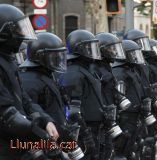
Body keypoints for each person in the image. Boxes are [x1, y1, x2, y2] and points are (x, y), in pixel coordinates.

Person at [0, 4, 58, 159]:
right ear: (4, 33)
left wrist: (46, 121)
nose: (21, 33)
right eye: (18, 29)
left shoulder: (8, 60)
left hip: (18, 141)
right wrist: (41, 137)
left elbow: (23, 98)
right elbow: (6, 113)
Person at [19, 32, 84, 160]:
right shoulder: (29, 81)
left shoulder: (46, 75)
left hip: (56, 139)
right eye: (54, 56)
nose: (58, 60)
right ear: (41, 57)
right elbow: (29, 117)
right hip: (44, 144)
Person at [64, 30, 122, 160]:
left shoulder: (86, 70)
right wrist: (86, 135)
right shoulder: (74, 73)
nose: (93, 51)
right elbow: (73, 111)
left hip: (96, 127)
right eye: (89, 47)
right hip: (85, 129)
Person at [112, 40, 156, 160]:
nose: (136, 57)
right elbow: (117, 97)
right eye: (133, 54)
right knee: (122, 151)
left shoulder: (132, 70)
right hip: (125, 117)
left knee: (134, 147)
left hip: (135, 116)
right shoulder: (119, 72)